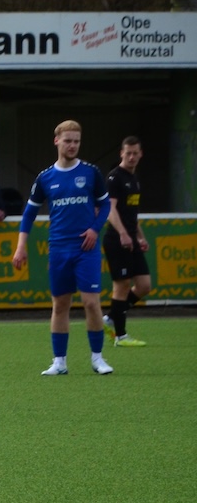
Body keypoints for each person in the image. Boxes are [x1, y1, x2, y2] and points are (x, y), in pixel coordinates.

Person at [12, 119, 113, 376]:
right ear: (56, 141)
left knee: (91, 303)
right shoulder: (45, 178)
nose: (72, 145)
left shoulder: (91, 173)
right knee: (60, 305)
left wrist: (95, 229)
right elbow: (29, 214)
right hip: (58, 248)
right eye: (68, 140)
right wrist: (21, 246)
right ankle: (59, 362)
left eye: (76, 141)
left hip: (86, 248)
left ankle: (97, 358)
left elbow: (106, 205)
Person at [103, 136, 151, 347]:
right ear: (121, 153)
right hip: (117, 239)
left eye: (135, 153)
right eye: (128, 153)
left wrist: (140, 236)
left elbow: (132, 213)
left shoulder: (135, 179)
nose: (131, 157)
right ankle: (120, 336)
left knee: (144, 285)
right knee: (122, 285)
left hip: (131, 238)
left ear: (141, 154)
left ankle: (111, 317)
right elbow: (110, 209)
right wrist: (122, 233)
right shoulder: (115, 178)